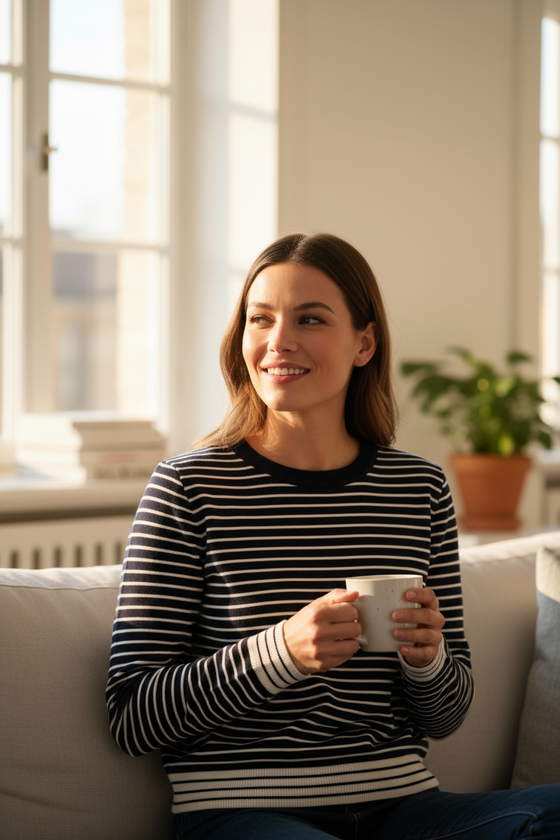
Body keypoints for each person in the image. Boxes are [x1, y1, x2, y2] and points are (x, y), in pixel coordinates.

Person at [107, 232, 560, 840]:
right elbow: (133, 716)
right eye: (259, 319)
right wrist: (284, 651)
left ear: (364, 343)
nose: (278, 341)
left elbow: (447, 715)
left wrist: (427, 661)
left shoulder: (418, 488)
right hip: (244, 812)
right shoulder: (190, 486)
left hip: (404, 808)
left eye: (310, 319)